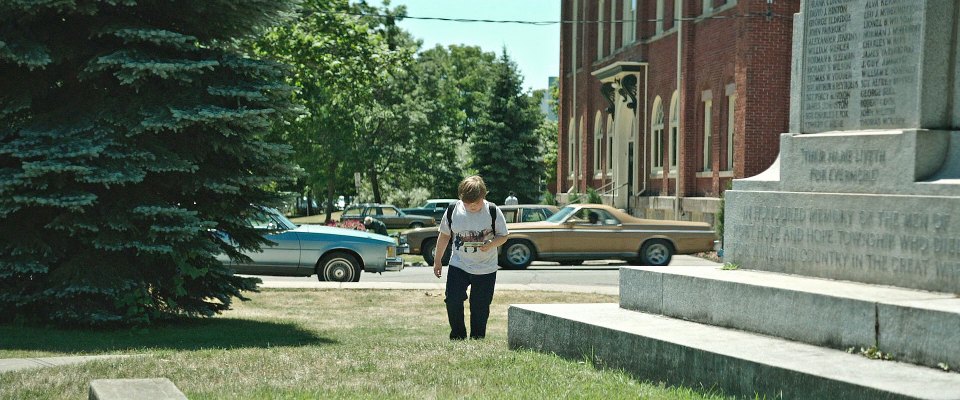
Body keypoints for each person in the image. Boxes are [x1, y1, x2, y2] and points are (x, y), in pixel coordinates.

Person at [434, 175, 509, 340]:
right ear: (461, 198)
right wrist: (437, 260)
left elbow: (503, 236)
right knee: (452, 300)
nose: (471, 207)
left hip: (485, 268)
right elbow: (444, 235)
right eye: (467, 203)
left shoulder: (492, 211)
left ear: (483, 196)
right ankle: (458, 336)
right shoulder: (453, 210)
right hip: (458, 264)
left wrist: (491, 243)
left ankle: (477, 338)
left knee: (480, 306)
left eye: (475, 203)